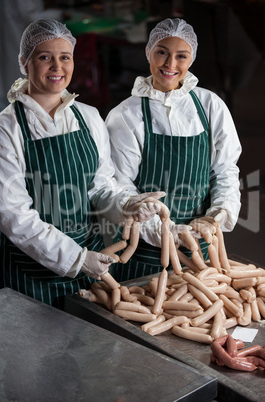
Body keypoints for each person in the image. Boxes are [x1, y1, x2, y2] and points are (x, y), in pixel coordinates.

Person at [0, 18, 164, 308]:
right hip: (28, 274)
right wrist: (75, 258)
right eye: (44, 57)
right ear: (24, 62)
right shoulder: (6, 128)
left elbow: (100, 187)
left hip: (90, 268)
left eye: (65, 57)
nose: (57, 67)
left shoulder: (88, 117)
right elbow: (14, 216)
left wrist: (126, 205)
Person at [106, 18, 242, 282]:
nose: (170, 64)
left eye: (181, 56)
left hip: (201, 248)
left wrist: (215, 217)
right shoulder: (126, 115)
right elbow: (120, 186)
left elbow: (225, 169)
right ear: (148, 53)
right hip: (142, 252)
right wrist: (163, 232)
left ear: (192, 59)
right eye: (162, 53)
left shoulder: (209, 105)